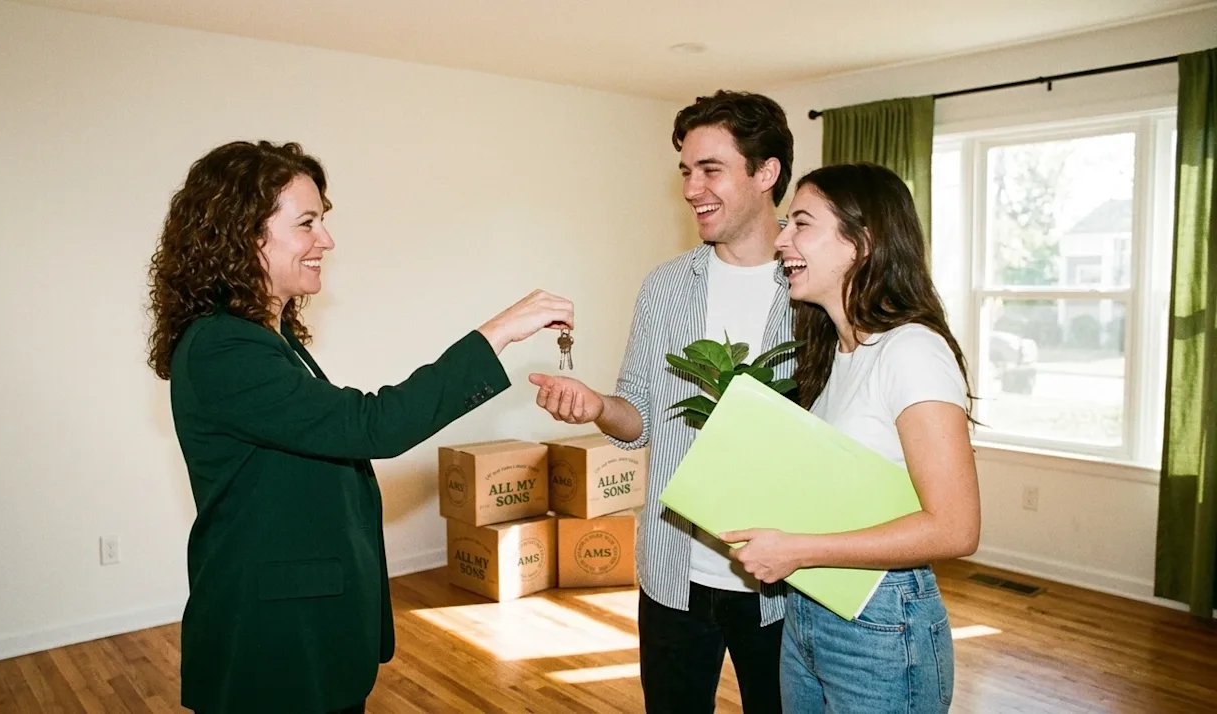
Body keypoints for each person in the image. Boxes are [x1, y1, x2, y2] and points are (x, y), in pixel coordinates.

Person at [146, 140, 573, 714]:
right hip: (272, 637)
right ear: (244, 234)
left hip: (307, 623)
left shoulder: (268, 338)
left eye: (322, 221)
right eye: (307, 223)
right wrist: (497, 332)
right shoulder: (225, 347)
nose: (326, 240)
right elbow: (372, 426)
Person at [529, 90, 794, 713]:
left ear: (766, 173)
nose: (691, 189)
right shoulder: (665, 287)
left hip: (785, 584)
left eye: (711, 170)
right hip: (675, 577)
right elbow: (639, 419)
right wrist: (598, 406)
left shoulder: (814, 285)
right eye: (686, 171)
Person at [718, 162, 981, 714]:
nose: (781, 240)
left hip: (881, 622)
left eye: (801, 224)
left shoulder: (912, 351)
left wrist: (799, 550)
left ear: (861, 243)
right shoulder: (834, 355)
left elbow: (956, 528)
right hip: (810, 610)